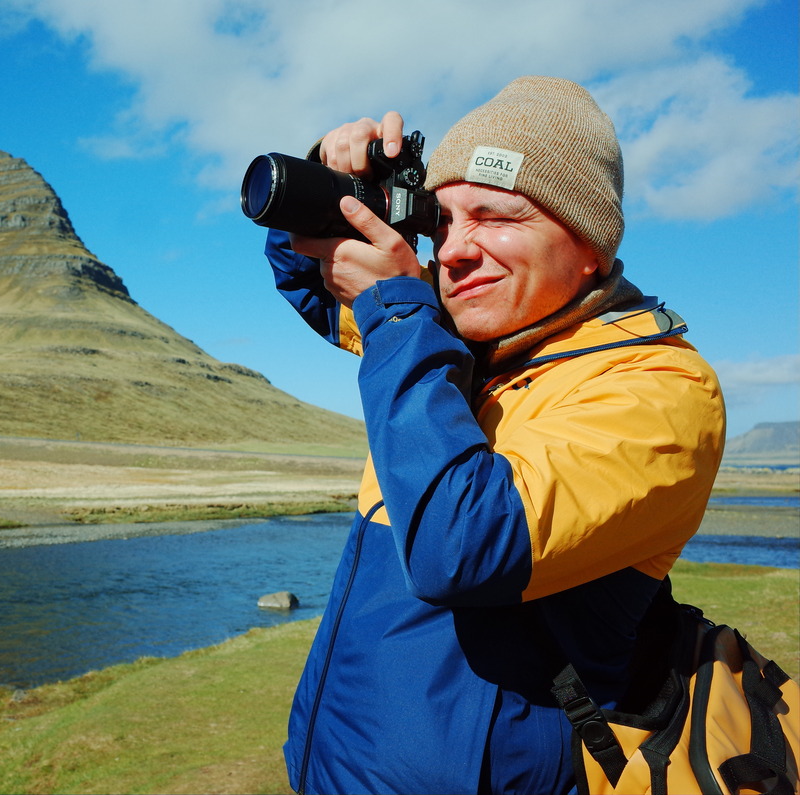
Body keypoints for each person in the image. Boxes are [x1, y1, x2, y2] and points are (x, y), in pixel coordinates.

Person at [263, 76, 726, 794]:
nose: (452, 253)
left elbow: (465, 547)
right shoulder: (456, 348)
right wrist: (332, 177)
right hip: (335, 771)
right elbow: (306, 277)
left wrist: (397, 308)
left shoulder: (662, 389)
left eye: (495, 216)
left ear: (590, 247)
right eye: (442, 221)